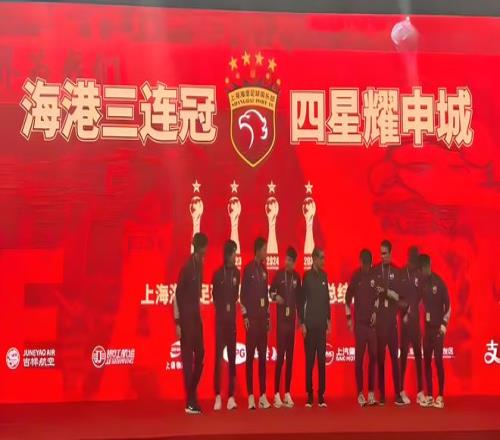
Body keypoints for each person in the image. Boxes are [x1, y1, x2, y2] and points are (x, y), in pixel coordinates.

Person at [174, 232, 208, 414]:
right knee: (188, 362)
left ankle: (192, 393)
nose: (206, 251)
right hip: (186, 321)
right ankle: (190, 401)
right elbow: (177, 295)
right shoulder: (187, 268)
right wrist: (178, 322)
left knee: (201, 355)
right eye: (205, 248)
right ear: (200, 248)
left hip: (196, 319)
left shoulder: (200, 265)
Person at [373, 239, 406, 406]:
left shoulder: (397, 272)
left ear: (391, 253)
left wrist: (387, 292)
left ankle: (398, 393)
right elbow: (372, 294)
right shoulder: (375, 271)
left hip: (392, 323)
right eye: (381, 253)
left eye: (385, 253)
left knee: (394, 359)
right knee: (380, 360)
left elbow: (400, 297)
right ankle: (382, 394)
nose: (382, 256)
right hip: (379, 323)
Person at [240, 237, 271, 410]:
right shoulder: (248, 269)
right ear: (258, 250)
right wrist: (245, 316)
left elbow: (266, 297)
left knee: (262, 360)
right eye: (265, 249)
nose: (266, 253)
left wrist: (268, 318)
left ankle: (263, 395)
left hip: (262, 322)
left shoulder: (264, 271)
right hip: (251, 321)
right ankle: (251, 396)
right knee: (250, 358)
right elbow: (242, 296)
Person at [269, 246, 302, 408]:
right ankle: (276, 393)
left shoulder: (297, 277)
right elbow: (270, 292)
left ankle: (287, 393)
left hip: (291, 321)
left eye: (290, 260)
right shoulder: (279, 275)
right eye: (286, 259)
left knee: (290, 359)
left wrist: (300, 320)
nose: (287, 262)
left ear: (294, 262)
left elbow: (300, 300)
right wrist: (276, 297)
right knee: (280, 357)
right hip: (281, 322)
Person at [345, 249, 378, 407]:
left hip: (372, 326)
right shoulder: (356, 276)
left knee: (373, 358)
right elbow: (347, 298)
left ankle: (371, 392)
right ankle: (360, 393)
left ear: (371, 263)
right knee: (359, 359)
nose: (366, 267)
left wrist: (376, 312)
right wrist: (348, 318)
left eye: (368, 265)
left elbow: (378, 297)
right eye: (364, 264)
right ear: (360, 262)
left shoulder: (375, 276)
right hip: (360, 325)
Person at [418, 254, 451, 409]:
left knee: (438, 359)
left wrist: (444, 325)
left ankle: (440, 396)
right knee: (426, 361)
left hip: (438, 329)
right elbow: (416, 301)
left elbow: (448, 305)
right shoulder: (421, 284)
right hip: (428, 329)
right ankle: (430, 395)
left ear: (427, 267)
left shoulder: (439, 282)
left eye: (421, 270)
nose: (420, 273)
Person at [300, 247, 331, 408]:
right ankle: (310, 395)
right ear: (314, 259)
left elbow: (327, 300)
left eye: (324, 257)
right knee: (310, 362)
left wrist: (329, 320)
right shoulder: (307, 277)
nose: (323, 261)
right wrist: (302, 323)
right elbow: (301, 301)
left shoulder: (324, 276)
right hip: (310, 326)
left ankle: (321, 395)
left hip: (321, 326)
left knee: (321, 362)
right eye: (321, 258)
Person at [212, 240, 240, 411]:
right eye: (234, 253)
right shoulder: (217, 274)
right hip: (220, 323)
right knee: (218, 360)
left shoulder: (237, 273)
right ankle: (217, 396)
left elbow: (235, 295)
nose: (235, 256)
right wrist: (223, 309)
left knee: (232, 359)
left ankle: (230, 397)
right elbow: (215, 296)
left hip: (232, 323)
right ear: (228, 254)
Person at [399, 246, 425, 406]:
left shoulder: (419, 275)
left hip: (415, 324)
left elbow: (421, 296)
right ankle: (401, 391)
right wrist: (405, 309)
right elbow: (396, 298)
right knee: (403, 356)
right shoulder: (401, 274)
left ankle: (420, 391)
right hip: (404, 323)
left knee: (418, 356)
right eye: (414, 257)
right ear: (409, 257)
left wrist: (414, 308)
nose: (415, 261)